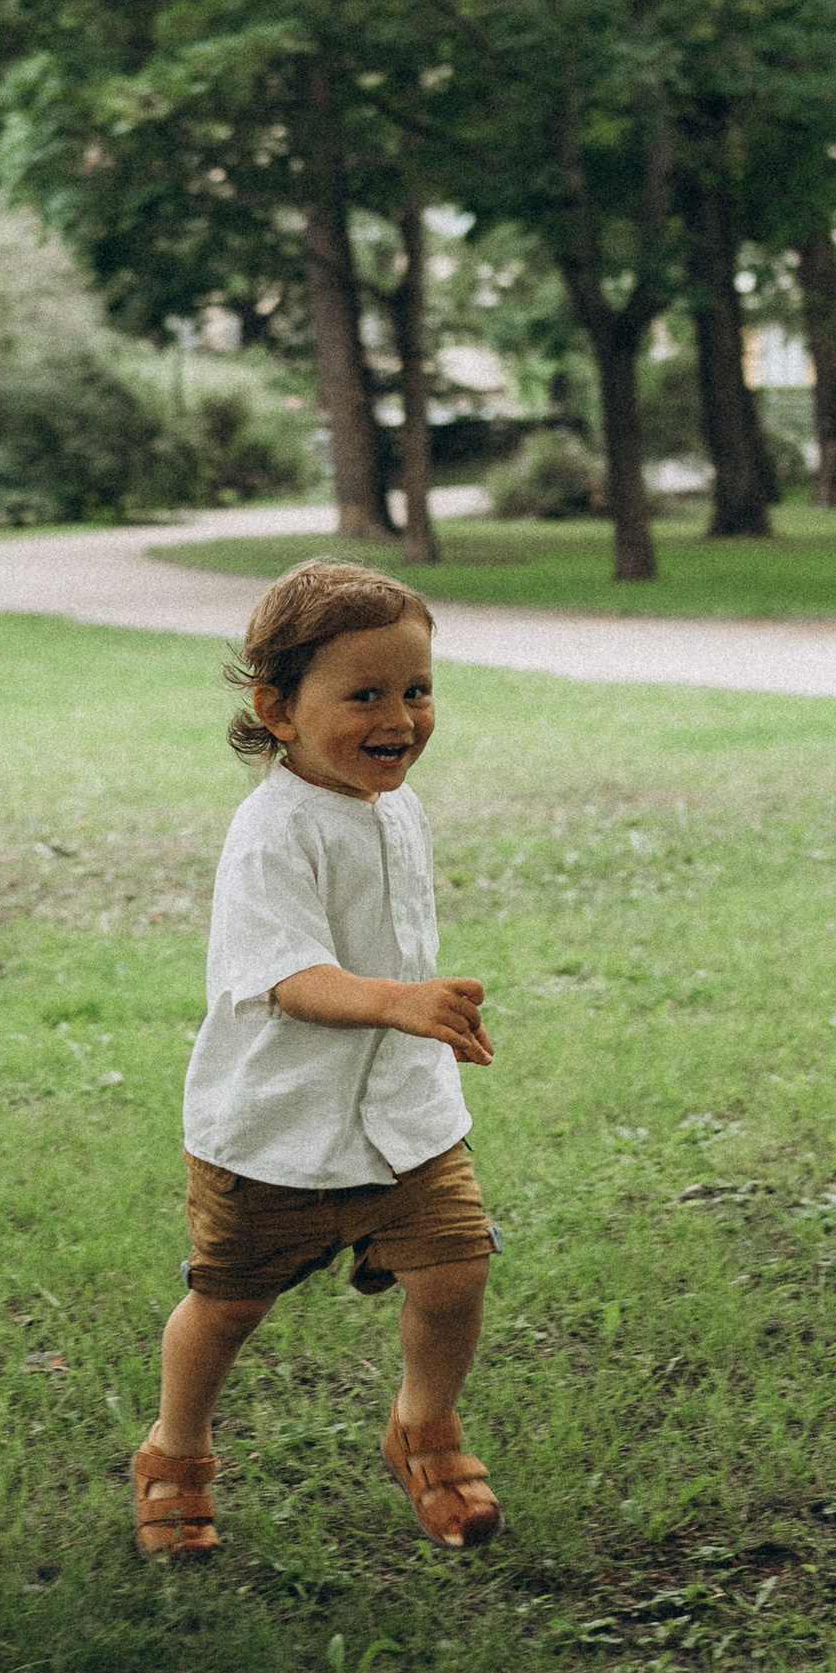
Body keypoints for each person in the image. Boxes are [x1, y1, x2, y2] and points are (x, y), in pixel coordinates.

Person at [134, 561, 503, 1560]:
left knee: (457, 1269)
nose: (402, 716)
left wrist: (425, 1011)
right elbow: (290, 975)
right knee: (228, 1305)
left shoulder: (396, 808)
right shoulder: (271, 832)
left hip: (404, 1120)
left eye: (417, 689)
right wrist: (399, 1001)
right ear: (278, 709)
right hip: (275, 1129)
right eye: (366, 694)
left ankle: (423, 1426)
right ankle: (176, 1448)